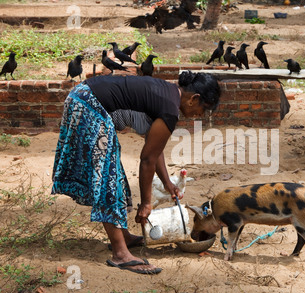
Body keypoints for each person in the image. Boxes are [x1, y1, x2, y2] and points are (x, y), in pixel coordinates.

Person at [52, 71, 221, 274]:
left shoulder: (169, 94)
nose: (201, 115)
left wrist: (167, 182)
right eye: (205, 109)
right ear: (195, 99)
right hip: (89, 104)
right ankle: (120, 254)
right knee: (107, 178)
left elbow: (154, 148)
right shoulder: (170, 109)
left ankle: (124, 236)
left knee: (113, 172)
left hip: (84, 97)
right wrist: (147, 203)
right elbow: (147, 159)